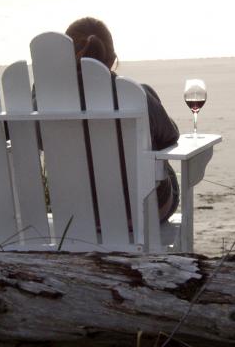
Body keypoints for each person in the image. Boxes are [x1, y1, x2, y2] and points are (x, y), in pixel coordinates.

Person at [65, 17, 180, 223]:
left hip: (76, 213)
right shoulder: (138, 95)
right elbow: (170, 137)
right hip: (144, 212)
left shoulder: (48, 103)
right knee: (154, 150)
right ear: (112, 59)